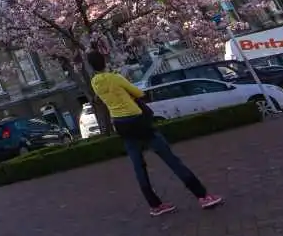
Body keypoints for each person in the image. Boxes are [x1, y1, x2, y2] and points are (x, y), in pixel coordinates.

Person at [87, 50, 223, 216]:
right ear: (103, 61)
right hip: (137, 120)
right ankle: (202, 196)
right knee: (170, 158)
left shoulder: (94, 82)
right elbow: (139, 93)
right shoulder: (115, 77)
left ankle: (155, 205)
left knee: (138, 165)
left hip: (120, 123)